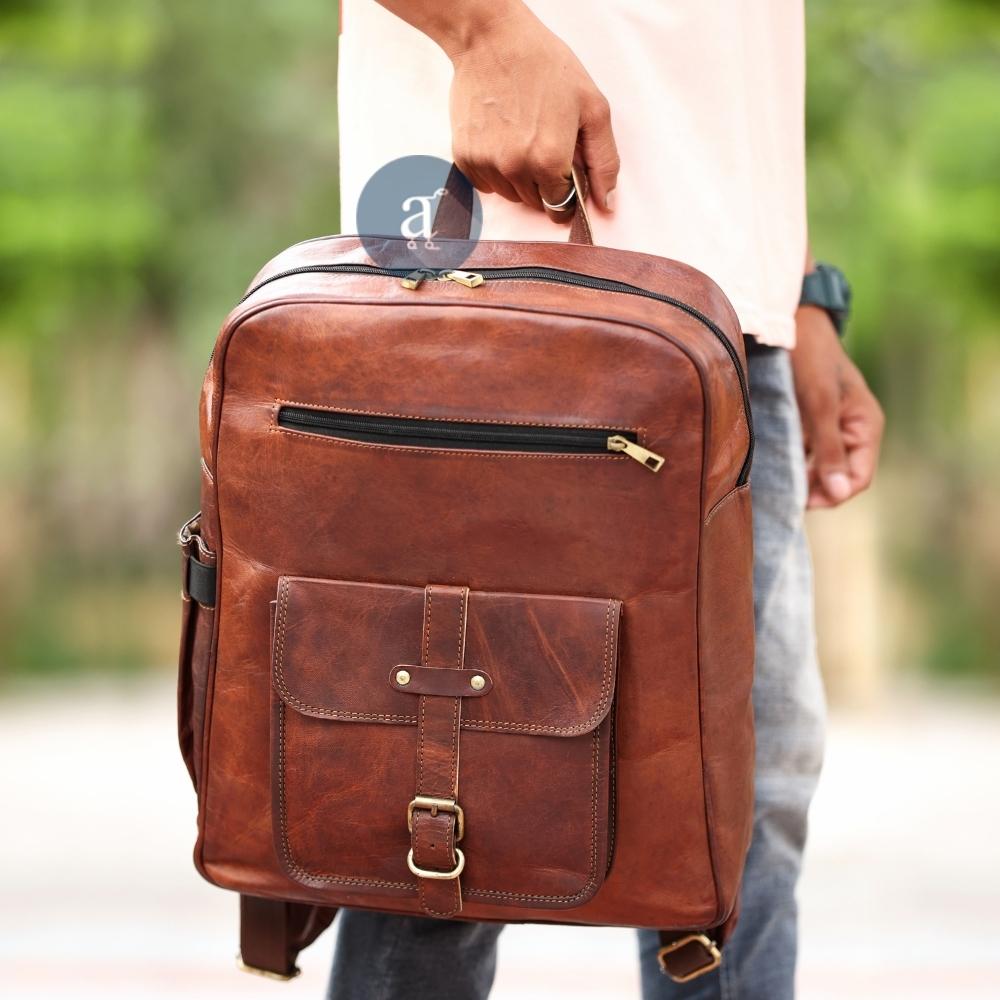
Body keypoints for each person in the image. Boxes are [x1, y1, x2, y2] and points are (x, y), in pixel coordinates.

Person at [332, 2, 885, 997]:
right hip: (482, 274)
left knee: (744, 805)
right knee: (450, 783)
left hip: (731, 320)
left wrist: (799, 301)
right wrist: (480, 29)